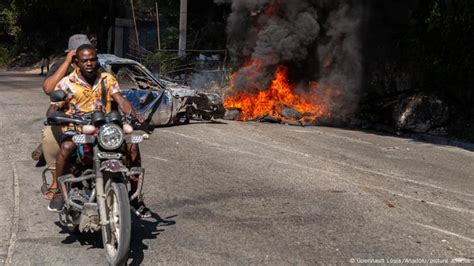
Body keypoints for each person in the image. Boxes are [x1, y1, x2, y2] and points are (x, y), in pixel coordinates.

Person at [47, 44, 150, 218]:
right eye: (85, 60)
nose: (89, 63)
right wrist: (54, 116)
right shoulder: (67, 83)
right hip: (78, 128)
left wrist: (134, 115)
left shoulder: (107, 79)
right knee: (66, 147)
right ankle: (58, 190)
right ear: (76, 63)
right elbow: (53, 107)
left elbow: (120, 99)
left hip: (105, 128)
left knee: (132, 146)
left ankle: (135, 198)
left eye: (92, 59)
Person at [39, 34, 92, 201]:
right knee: (49, 135)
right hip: (68, 118)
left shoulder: (96, 67)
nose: (86, 61)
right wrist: (67, 62)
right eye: (78, 54)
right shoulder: (63, 69)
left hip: (92, 117)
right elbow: (48, 89)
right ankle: (56, 182)